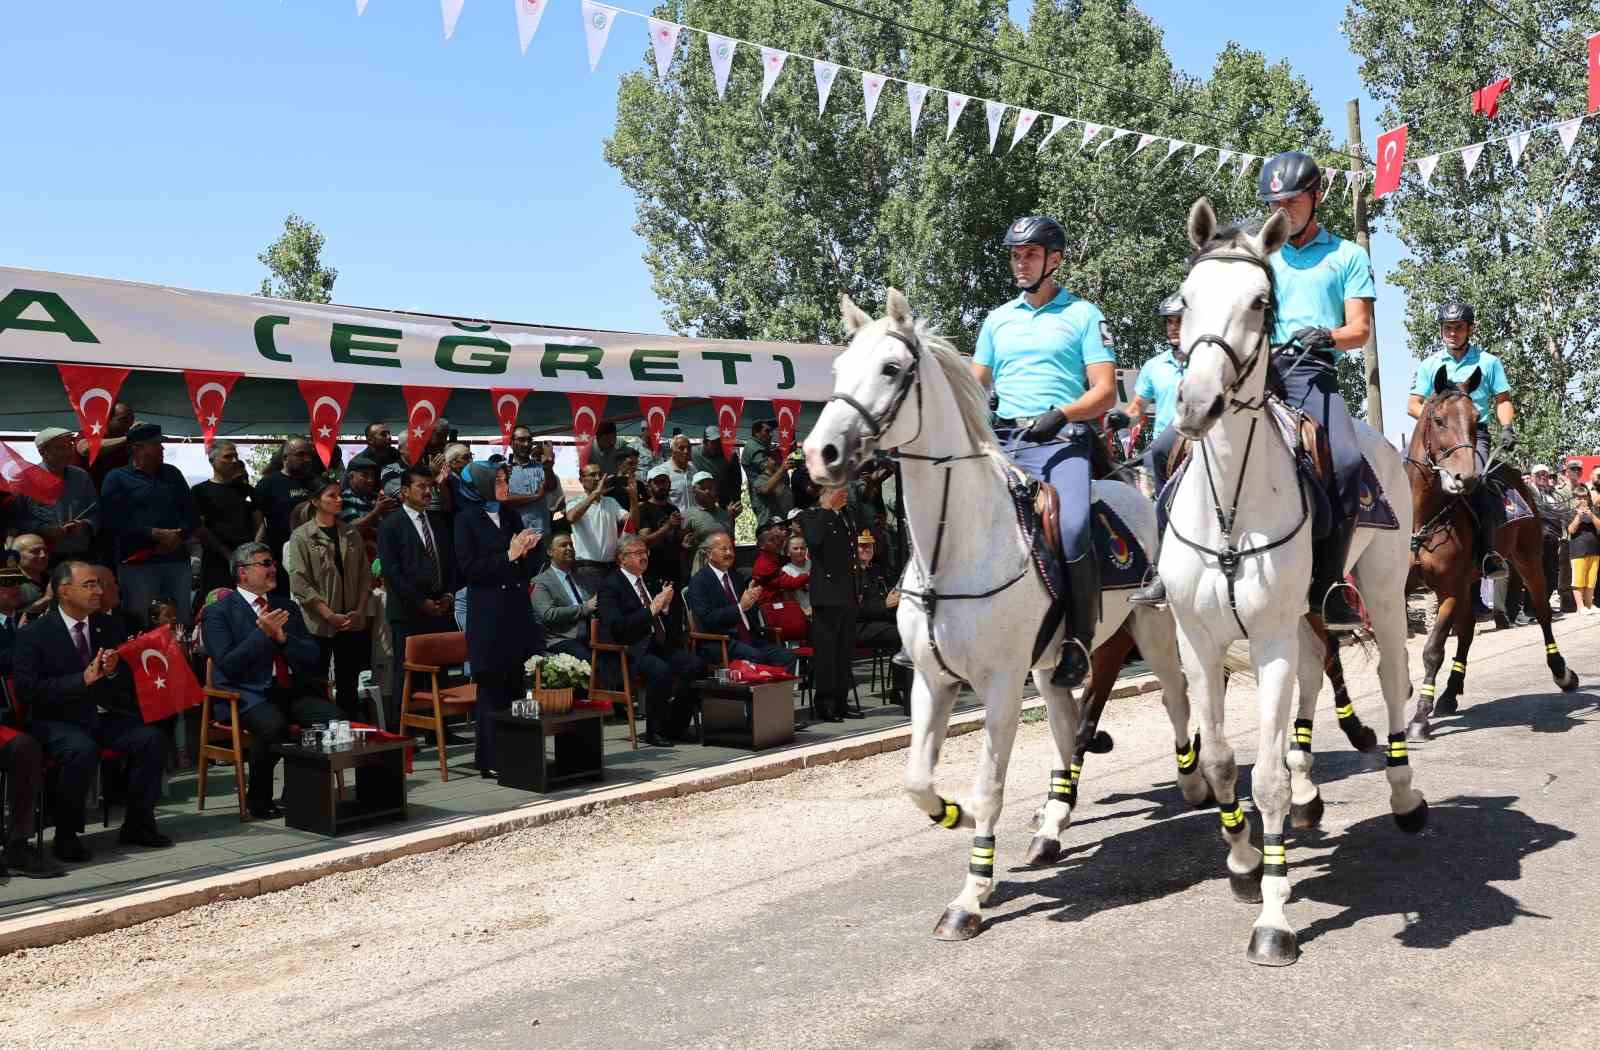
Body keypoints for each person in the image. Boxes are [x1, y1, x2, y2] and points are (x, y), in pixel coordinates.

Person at [970, 215, 1116, 685]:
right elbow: (975, 385)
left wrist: (1064, 415)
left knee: (1072, 528)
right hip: (1005, 442)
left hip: (1061, 441)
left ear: (1055, 259)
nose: (1020, 262)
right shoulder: (996, 320)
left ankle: (1079, 638)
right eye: (1015, 254)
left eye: (1030, 254)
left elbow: (1106, 392)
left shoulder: (1084, 315)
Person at [15, 560, 173, 859]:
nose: (98, 591)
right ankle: (66, 834)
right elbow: (28, 690)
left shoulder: (109, 625)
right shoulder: (34, 633)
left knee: (152, 740)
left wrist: (113, 672)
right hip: (56, 720)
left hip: (103, 715)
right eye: (89, 585)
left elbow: (126, 681)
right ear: (64, 591)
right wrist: (81, 680)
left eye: (99, 584)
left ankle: (138, 823)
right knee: (81, 750)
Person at [200, 543, 344, 819]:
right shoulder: (219, 612)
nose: (273, 568)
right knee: (273, 728)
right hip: (245, 694)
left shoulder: (285, 605)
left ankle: (298, 790)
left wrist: (283, 638)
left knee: (333, 720)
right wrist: (262, 634)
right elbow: (228, 664)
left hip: (288, 690)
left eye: (273, 563)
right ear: (242, 572)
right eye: (265, 563)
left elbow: (313, 657)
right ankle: (258, 797)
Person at [1406, 301, 1516, 579]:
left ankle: (1488, 554)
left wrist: (1507, 426)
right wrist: (1436, 421)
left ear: (1469, 329)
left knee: (1476, 479)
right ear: (1441, 331)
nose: (1452, 333)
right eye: (1447, 328)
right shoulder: (1430, 364)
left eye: (1458, 328)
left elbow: (1503, 400)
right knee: (1405, 478)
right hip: (1437, 434)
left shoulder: (1489, 362)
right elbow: (1413, 404)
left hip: (1473, 434)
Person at [454, 462, 544, 776]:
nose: (505, 485)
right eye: (500, 480)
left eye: (505, 479)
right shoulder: (465, 520)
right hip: (488, 613)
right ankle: (490, 759)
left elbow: (526, 567)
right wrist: (508, 555)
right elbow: (469, 569)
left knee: (518, 683)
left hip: (516, 609)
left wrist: (531, 550)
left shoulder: (510, 515)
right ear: (480, 485)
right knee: (492, 687)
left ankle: (519, 752)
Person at [595, 535, 704, 748]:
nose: (644, 557)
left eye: (645, 552)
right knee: (661, 671)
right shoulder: (610, 586)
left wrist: (664, 609)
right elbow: (617, 627)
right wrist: (652, 610)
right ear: (622, 558)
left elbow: (663, 621)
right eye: (637, 553)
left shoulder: (652, 581)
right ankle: (654, 731)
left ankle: (675, 727)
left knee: (696, 666)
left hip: (658, 645)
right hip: (629, 650)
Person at [375, 467, 459, 730]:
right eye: (421, 486)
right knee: (407, 670)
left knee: (439, 669)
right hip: (409, 609)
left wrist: (448, 594)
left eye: (430, 486)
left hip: (439, 606)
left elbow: (450, 562)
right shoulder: (391, 524)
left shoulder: (437, 520)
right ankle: (403, 729)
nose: (427, 491)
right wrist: (419, 600)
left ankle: (439, 729)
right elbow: (391, 571)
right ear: (405, 491)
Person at [285, 477, 374, 720]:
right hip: (320, 622)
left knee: (349, 682)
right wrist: (329, 614)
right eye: (332, 495)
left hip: (353, 619)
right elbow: (300, 583)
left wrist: (359, 609)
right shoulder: (302, 536)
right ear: (316, 501)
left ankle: (353, 733)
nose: (339, 499)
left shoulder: (350, 531)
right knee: (317, 681)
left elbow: (365, 575)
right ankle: (322, 733)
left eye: (339, 494)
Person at [0, 554, 64, 878]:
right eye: (5, 583)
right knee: (23, 746)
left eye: (16, 581)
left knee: (38, 744)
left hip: (21, 713)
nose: (14, 588)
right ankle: (14, 845)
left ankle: (25, 842)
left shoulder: (19, 623)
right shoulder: (23, 628)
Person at [100, 423, 199, 626]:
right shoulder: (116, 478)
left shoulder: (173, 474)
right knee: (140, 620)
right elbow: (112, 521)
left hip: (176, 561)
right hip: (137, 565)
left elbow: (192, 515)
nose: (162, 449)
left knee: (180, 621)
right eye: (155, 444)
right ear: (136, 448)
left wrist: (177, 537)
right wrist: (152, 534)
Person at [686, 532, 798, 670]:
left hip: (749, 638)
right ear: (709, 554)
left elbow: (748, 612)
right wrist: (740, 607)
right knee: (757, 657)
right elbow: (707, 618)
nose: (729, 553)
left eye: (731, 549)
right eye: (724, 549)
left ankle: (775, 692)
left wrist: (753, 601)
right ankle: (754, 691)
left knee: (786, 656)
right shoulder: (700, 581)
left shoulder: (736, 576)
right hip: (722, 641)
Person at [801, 486, 860, 721]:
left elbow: (853, 554)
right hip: (826, 595)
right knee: (827, 652)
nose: (845, 493)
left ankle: (841, 701)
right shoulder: (812, 515)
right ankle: (825, 703)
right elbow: (814, 541)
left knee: (844, 652)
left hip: (847, 593)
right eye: (840, 490)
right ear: (826, 492)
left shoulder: (847, 516)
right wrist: (826, 508)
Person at [1128, 294, 1187, 498]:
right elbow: (1137, 408)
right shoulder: (1153, 366)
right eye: (1169, 321)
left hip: (1197, 449)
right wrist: (1122, 420)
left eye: (1179, 320)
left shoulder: (1206, 363)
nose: (1173, 327)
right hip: (1161, 454)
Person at [192, 440, 263, 601]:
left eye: (235, 456)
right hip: (216, 562)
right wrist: (226, 553)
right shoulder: (200, 492)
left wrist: (253, 552)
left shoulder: (247, 490)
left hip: (247, 561)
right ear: (212, 460)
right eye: (228, 457)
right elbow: (199, 527)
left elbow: (259, 523)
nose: (234, 461)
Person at [23, 426, 100, 564]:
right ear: (42, 452)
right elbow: (16, 519)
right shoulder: (27, 478)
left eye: (69, 447)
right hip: (42, 557)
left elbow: (96, 512)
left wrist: (85, 525)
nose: (67, 453)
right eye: (59, 448)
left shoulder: (81, 477)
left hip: (80, 553)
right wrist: (42, 529)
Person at [254, 436, 320, 591]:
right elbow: (258, 523)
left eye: (309, 455)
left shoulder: (318, 483)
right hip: (280, 556)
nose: (307, 459)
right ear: (285, 458)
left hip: (315, 555)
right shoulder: (267, 484)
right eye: (300, 454)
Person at [566, 461, 638, 596]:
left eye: (599, 474)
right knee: (594, 609)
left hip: (611, 566)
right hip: (587, 568)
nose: (598, 478)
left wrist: (633, 499)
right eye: (592, 475)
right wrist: (595, 493)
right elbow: (571, 517)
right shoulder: (575, 502)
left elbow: (631, 522)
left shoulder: (611, 502)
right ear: (581, 480)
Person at [532, 533, 597, 662]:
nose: (569, 548)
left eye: (571, 545)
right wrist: (584, 608)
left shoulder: (583, 579)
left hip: (591, 635)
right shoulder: (540, 582)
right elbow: (548, 614)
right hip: (561, 639)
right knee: (591, 662)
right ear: (550, 552)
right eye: (563, 545)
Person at [751, 520, 809, 641]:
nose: (777, 542)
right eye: (772, 540)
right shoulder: (764, 565)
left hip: (783, 606)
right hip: (770, 613)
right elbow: (791, 583)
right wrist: (811, 574)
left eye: (777, 538)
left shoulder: (776, 558)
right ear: (761, 545)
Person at [637, 464, 689, 591]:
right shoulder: (644, 509)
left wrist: (684, 541)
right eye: (657, 482)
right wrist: (668, 526)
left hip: (675, 572)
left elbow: (675, 540)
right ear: (649, 485)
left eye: (664, 482)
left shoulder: (673, 509)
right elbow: (645, 542)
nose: (661, 486)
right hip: (654, 573)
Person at [504, 427, 561, 537]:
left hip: (540, 534)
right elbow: (505, 498)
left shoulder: (541, 467)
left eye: (529, 440)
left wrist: (548, 468)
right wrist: (535, 496)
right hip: (514, 535)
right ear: (511, 443)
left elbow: (550, 487)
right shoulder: (503, 468)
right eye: (521, 440)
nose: (526, 444)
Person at [853, 531, 902, 654]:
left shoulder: (876, 570)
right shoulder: (849, 574)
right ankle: (902, 672)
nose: (867, 549)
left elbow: (889, 593)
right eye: (862, 546)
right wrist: (884, 605)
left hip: (880, 620)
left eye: (869, 546)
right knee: (901, 633)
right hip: (859, 625)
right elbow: (855, 609)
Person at [79, 400, 136, 490]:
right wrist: (127, 438)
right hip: (87, 494)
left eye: (131, 421)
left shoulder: (128, 441)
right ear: (108, 419)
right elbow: (85, 449)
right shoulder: (90, 433)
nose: (128, 425)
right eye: (123, 420)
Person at [683, 471, 735, 559]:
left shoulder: (725, 515)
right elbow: (682, 544)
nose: (707, 491)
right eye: (703, 488)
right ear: (694, 491)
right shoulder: (688, 515)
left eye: (710, 488)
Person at [692, 425, 744, 510]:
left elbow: (737, 482)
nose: (717, 445)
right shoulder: (694, 454)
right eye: (713, 442)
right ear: (705, 442)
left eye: (719, 441)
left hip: (724, 503)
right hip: (702, 503)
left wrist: (736, 502)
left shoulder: (730, 456)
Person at [1566, 483, 1600, 614]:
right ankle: (1580, 608)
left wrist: (1591, 516)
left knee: (1591, 580)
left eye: (1584, 497)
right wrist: (1579, 516)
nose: (1582, 500)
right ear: (1574, 498)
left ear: (1588, 498)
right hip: (1577, 551)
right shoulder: (1570, 512)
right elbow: (1571, 529)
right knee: (1578, 580)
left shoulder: (1595, 510)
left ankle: (1589, 605)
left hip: (1594, 550)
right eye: (1578, 497)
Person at [747, 447, 795, 530]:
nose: (779, 461)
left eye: (780, 458)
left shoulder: (783, 479)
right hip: (769, 529)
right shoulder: (760, 480)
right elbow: (766, 489)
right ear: (765, 462)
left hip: (784, 527)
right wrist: (782, 469)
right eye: (775, 459)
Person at [10, 534, 54, 622]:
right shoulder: (8, 584)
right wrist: (46, 599)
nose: (43, 555)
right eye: (35, 551)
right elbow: (9, 619)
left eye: (45, 550)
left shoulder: (55, 577)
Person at [661, 433, 697, 515]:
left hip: (695, 521)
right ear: (672, 451)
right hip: (675, 521)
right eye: (681, 448)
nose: (686, 451)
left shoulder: (694, 469)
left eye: (689, 448)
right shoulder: (663, 471)